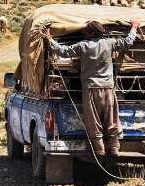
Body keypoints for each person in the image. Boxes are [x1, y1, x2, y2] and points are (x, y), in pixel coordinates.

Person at [45, 20, 139, 156]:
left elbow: (63, 51)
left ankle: (99, 148)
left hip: (90, 89)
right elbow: (127, 42)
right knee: (111, 117)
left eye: (86, 31)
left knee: (93, 119)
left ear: (90, 33)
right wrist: (134, 27)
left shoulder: (83, 46)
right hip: (108, 88)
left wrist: (49, 38)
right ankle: (114, 147)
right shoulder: (110, 43)